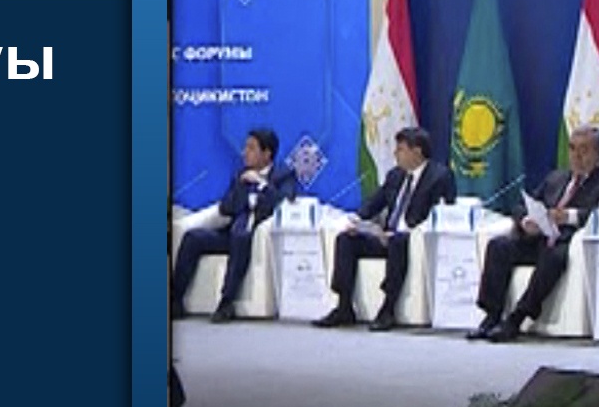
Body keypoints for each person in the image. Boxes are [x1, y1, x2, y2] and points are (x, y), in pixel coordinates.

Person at [468, 124, 599, 342]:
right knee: (499, 246)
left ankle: (516, 318)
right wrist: (527, 221)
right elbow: (522, 206)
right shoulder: (556, 178)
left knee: (553, 256)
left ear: (598, 153)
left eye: (584, 150)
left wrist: (569, 216)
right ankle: (492, 316)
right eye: (572, 148)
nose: (576, 156)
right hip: (537, 238)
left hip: (567, 244)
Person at [314, 126, 455, 331]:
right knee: (346, 240)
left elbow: (441, 214)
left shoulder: (440, 176)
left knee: (398, 241)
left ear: (417, 152)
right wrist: (356, 221)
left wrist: (406, 232)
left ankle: (388, 308)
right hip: (385, 237)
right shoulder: (395, 176)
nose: (395, 154)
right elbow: (374, 203)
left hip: (414, 239)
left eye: (400, 149)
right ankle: (344, 306)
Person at [169, 128, 297, 323]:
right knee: (193, 238)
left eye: (251, 148)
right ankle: (175, 299)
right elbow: (226, 207)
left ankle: (226, 302)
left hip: (256, 236)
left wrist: (261, 184)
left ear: (267, 154)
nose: (245, 152)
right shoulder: (240, 175)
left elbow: (283, 202)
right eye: (246, 147)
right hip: (231, 231)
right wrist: (243, 191)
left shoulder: (284, 174)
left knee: (241, 235)